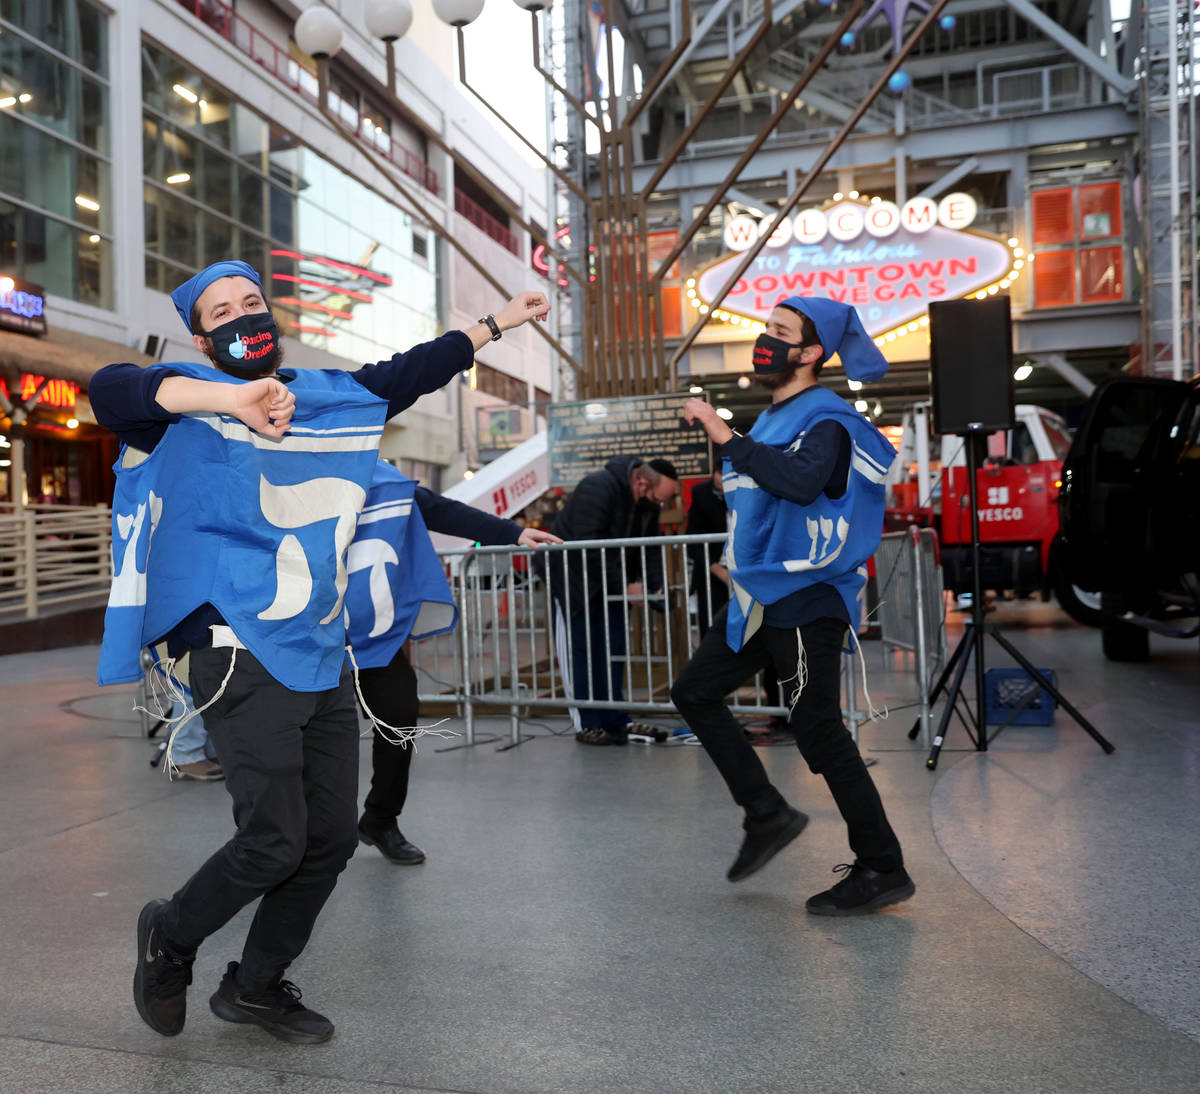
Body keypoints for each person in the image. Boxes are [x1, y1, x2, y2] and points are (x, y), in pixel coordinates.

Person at [90, 258, 549, 1044]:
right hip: (232, 642)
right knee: (274, 838)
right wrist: (230, 396)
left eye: (252, 303)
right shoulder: (180, 410)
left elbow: (410, 382)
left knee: (330, 836)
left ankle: (256, 987)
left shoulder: (331, 407)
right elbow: (113, 388)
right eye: (221, 312)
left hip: (318, 642)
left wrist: (497, 322)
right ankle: (171, 932)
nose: (242, 317)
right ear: (202, 341)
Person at [670, 295, 914, 916]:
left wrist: (724, 434)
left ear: (810, 353)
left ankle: (882, 867)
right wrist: (737, 562)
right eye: (765, 329)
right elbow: (762, 502)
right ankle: (767, 812)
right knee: (695, 690)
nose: (765, 340)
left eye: (780, 332)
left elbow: (804, 483)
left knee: (817, 729)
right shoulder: (774, 418)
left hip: (808, 598)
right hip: (763, 594)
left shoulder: (827, 418)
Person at [346, 461, 560, 864]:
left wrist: (512, 531)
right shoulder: (289, 464)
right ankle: (308, 831)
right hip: (308, 634)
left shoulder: (379, 474)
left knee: (399, 716)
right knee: (323, 734)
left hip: (374, 631)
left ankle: (380, 820)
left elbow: (440, 509)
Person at [538, 456, 678, 746]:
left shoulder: (646, 502)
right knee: (582, 652)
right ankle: (587, 723)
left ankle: (616, 719)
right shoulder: (598, 487)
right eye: (656, 498)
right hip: (573, 580)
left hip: (610, 580)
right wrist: (625, 585)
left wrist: (655, 589)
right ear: (641, 482)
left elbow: (649, 548)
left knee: (612, 650)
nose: (657, 505)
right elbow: (589, 547)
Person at [685, 464, 729, 639]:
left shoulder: (750, 488)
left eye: (726, 473)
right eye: (718, 472)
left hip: (746, 569)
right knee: (712, 628)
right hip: (713, 572)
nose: (721, 478)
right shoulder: (702, 493)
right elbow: (694, 541)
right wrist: (717, 569)